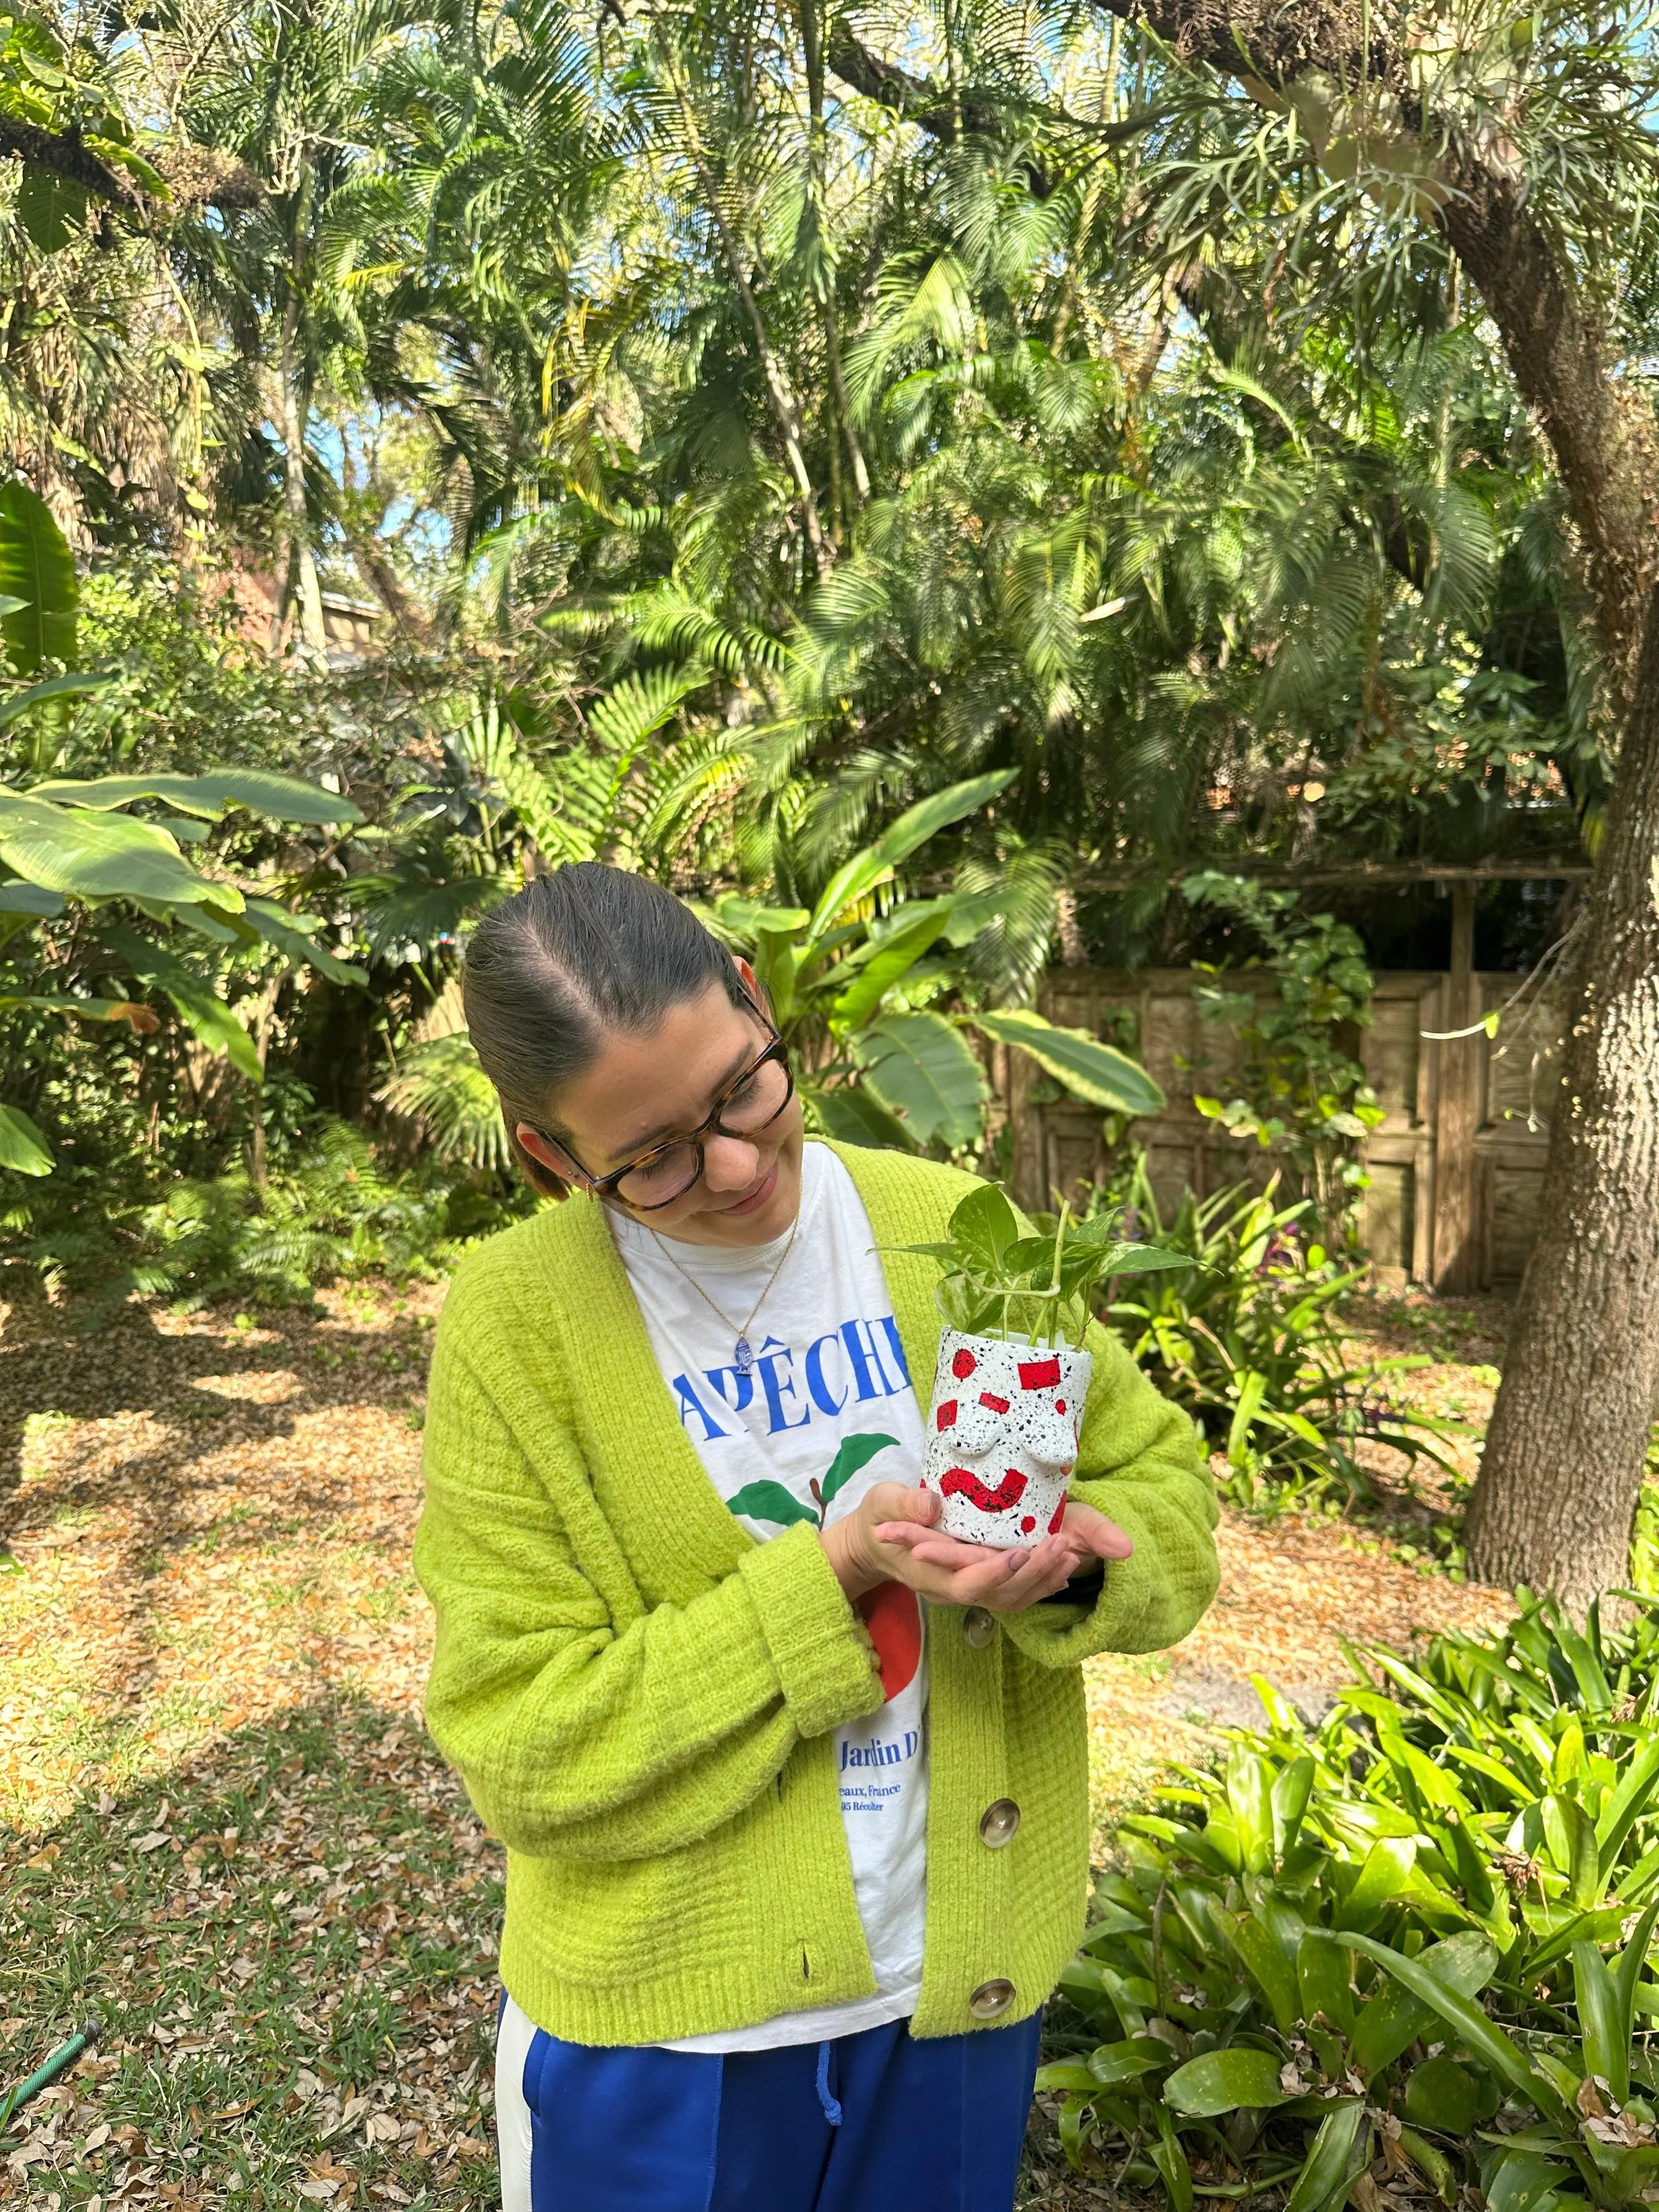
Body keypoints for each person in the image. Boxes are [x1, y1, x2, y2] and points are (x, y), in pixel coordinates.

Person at [411, 862, 1220, 2212]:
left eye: (742, 1087)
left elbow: (1164, 1491)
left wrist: (1070, 1564)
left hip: (951, 1991)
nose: (732, 1165)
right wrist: (833, 1577)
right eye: (652, 1158)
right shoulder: (517, 1326)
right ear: (552, 1154)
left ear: (753, 997)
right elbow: (520, 1738)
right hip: (671, 2036)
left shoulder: (941, 1232)